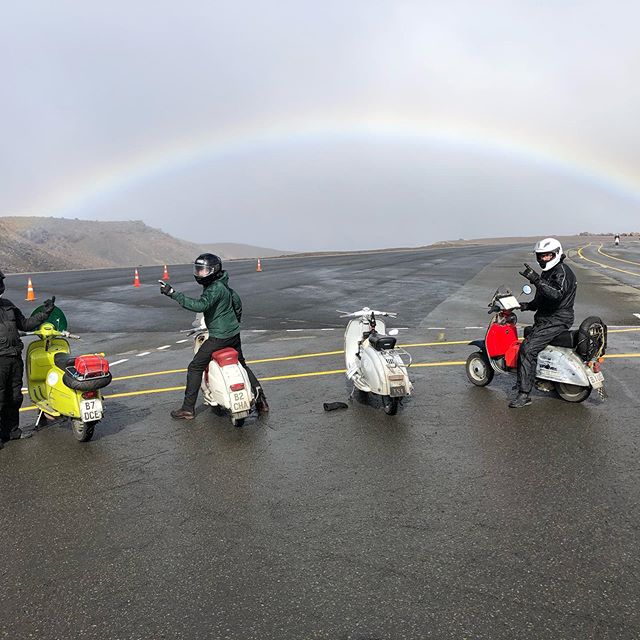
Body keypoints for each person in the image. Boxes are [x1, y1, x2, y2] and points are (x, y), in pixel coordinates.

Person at [160, 253, 269, 419]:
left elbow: (200, 305)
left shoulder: (214, 289)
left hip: (219, 336)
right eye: (198, 270)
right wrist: (233, 322)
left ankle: (188, 408)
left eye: (203, 270)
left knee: (195, 367)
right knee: (242, 364)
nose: (199, 274)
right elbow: (237, 304)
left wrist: (173, 293)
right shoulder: (224, 286)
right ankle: (261, 401)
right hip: (233, 335)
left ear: (214, 271)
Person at [510, 238, 577, 408]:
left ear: (556, 254)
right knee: (528, 337)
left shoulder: (562, 271)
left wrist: (535, 279)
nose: (544, 259)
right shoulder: (550, 272)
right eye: (541, 256)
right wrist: (526, 306)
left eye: (547, 255)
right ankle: (540, 380)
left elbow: (556, 295)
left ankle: (524, 395)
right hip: (547, 318)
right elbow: (543, 299)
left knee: (527, 349)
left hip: (557, 319)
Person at [0, 269, 55, 448]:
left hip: (15, 358)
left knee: (15, 396)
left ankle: (13, 431)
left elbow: (25, 324)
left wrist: (44, 314)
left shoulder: (8, 305)